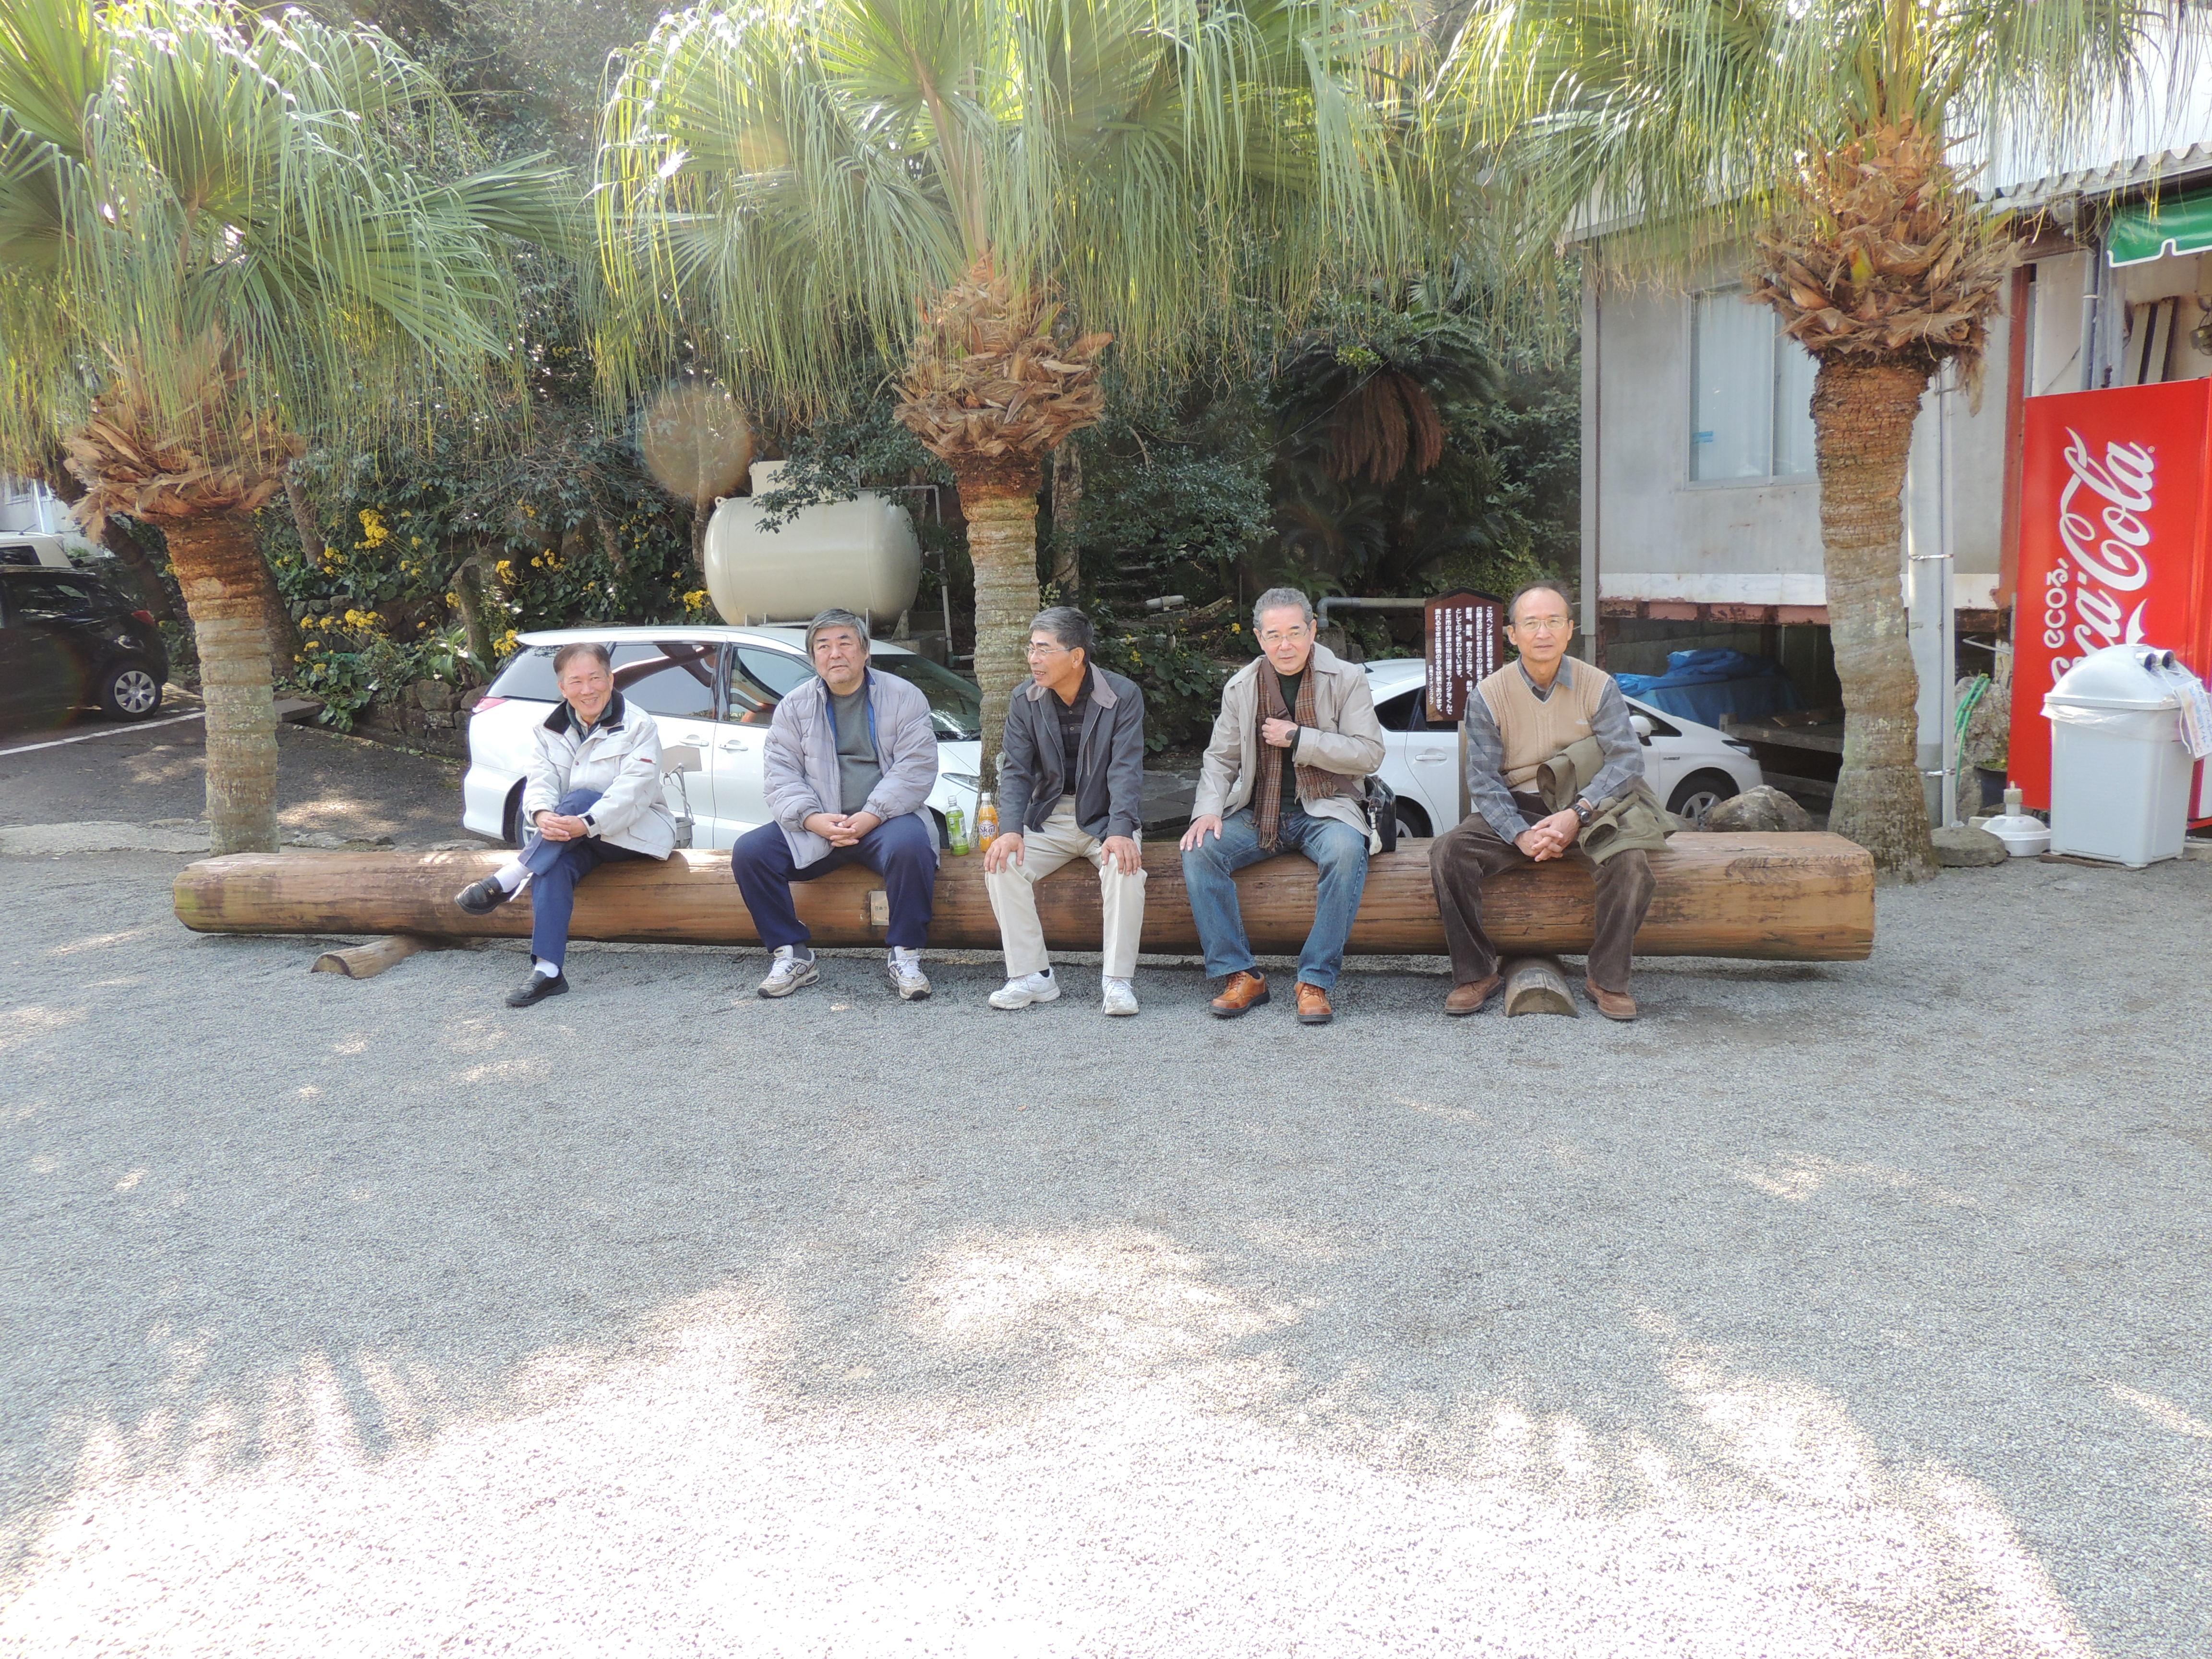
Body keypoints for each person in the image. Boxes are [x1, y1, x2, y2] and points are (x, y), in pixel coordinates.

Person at [1428, 578, 1659, 1021]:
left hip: (1586, 804)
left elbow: (1627, 760)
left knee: (1631, 864)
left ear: (1570, 629)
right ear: (1512, 634)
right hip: (1518, 805)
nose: (1543, 632)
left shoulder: (1598, 686)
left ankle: (1608, 979)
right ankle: (1476, 973)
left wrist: (1577, 814)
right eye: (1531, 623)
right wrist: (1520, 834)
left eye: (1554, 621)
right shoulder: (1489, 694)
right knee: (1448, 852)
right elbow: (1483, 779)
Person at [1179, 587, 1385, 1025]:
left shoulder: (1346, 678)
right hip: (1260, 811)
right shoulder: (1242, 686)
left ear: (1313, 630)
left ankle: (1314, 980)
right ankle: (1240, 974)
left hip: (1327, 807)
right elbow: (1221, 759)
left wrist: (1299, 739)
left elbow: (1369, 754)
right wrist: (1208, 810)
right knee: (1200, 850)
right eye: (1274, 635)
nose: (1285, 645)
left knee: (1347, 852)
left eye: (1295, 632)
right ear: (1259, 638)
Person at [730, 607, 940, 1000]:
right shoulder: (795, 706)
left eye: (845, 643)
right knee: (751, 852)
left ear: (865, 652)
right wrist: (812, 819)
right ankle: (792, 953)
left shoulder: (903, 696)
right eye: (823, 646)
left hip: (884, 821)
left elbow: (917, 767)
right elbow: (780, 775)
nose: (835, 653)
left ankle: (905, 953)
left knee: (913, 846)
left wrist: (871, 815)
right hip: (820, 823)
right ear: (814, 658)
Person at [453, 641, 677, 1007]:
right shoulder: (548, 728)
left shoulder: (639, 725)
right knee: (552, 866)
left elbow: (633, 793)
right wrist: (542, 815)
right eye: (576, 681)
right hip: (572, 837)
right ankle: (548, 971)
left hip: (633, 834)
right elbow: (540, 782)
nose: (587, 690)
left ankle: (511, 876)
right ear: (562, 688)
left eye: (595, 678)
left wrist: (585, 822)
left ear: (611, 679)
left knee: (582, 798)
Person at [983, 607, 1148, 1016]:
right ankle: (1033, 975)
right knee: (1003, 863)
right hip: (1050, 816)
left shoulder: (1122, 695)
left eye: (1044, 649)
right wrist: (1010, 829)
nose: (1033, 659)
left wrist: (1122, 829)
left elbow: (1126, 768)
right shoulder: (1024, 699)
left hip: (1106, 817)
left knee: (1125, 867)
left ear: (1077, 656)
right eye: (1031, 649)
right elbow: (1016, 771)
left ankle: (1117, 982)